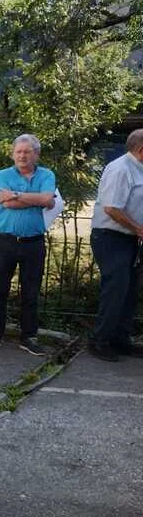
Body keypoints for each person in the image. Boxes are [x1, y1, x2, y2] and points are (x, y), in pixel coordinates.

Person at [0, 134, 56, 356]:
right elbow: (7, 203)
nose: (22, 156)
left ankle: (29, 337)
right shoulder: (3, 175)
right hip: (6, 241)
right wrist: (36, 199)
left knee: (31, 292)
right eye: (19, 152)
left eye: (27, 152)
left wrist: (16, 195)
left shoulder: (47, 175)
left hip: (33, 243)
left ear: (36, 154)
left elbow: (47, 200)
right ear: (13, 154)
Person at [86, 129, 143, 362]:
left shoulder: (139, 168)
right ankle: (100, 340)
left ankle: (120, 339)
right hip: (110, 237)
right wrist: (138, 228)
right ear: (141, 149)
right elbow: (111, 208)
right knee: (116, 288)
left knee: (130, 290)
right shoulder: (120, 169)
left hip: (130, 239)